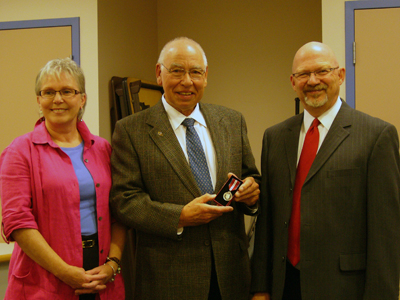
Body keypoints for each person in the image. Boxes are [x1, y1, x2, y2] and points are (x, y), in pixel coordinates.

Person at [110, 37, 260, 299]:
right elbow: (125, 201)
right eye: (177, 71)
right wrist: (179, 216)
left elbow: (251, 177)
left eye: (195, 72)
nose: (187, 81)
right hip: (168, 278)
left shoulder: (232, 121)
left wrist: (251, 193)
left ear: (206, 76)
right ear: (159, 73)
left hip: (231, 276)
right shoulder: (131, 130)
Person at [251, 41, 400, 300]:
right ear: (292, 81)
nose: (312, 81)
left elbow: (385, 233)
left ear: (340, 75)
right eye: (303, 74)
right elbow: (267, 220)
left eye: (322, 71)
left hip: (344, 288)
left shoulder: (376, 136)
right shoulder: (275, 137)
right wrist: (261, 287)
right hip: (285, 285)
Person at [0, 58, 126, 299]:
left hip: (102, 276)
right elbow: (17, 221)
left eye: (67, 91)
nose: (58, 99)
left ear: (82, 99)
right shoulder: (19, 151)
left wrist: (112, 264)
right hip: (44, 278)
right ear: (39, 100)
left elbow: (119, 210)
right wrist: (64, 272)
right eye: (48, 92)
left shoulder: (103, 149)